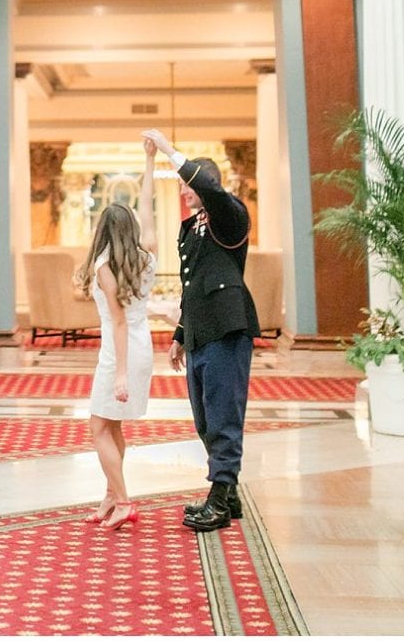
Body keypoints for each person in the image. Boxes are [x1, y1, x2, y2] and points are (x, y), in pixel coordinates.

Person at [143, 129, 258, 533]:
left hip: (228, 327)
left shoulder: (231, 216)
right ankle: (229, 493)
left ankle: (218, 496)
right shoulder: (191, 228)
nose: (184, 192)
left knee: (224, 412)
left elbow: (207, 186)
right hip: (199, 331)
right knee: (205, 418)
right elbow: (193, 286)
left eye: (187, 186)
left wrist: (169, 150)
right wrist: (178, 334)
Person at [80, 139, 160, 531]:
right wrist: (149, 160)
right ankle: (110, 496)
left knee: (98, 427)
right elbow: (147, 205)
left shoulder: (104, 266)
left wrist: (121, 373)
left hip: (120, 351)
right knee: (113, 427)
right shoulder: (146, 255)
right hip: (141, 346)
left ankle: (124, 500)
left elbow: (118, 321)